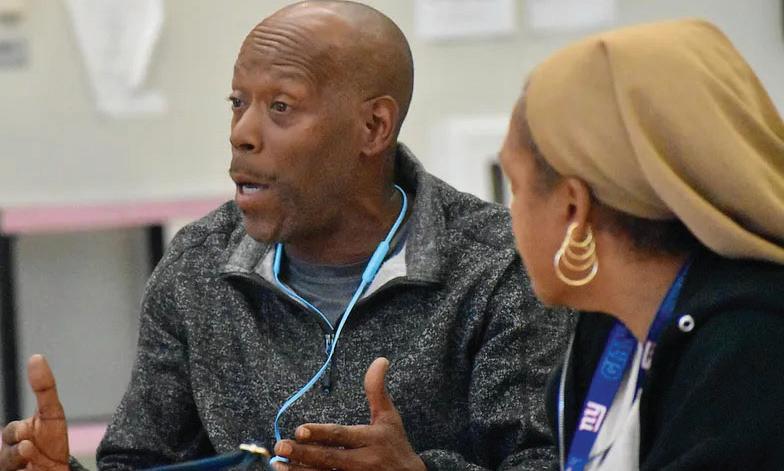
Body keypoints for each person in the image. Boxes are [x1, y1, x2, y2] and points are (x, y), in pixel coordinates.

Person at [0, 2, 573, 470]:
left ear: (373, 127)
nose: (242, 134)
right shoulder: (199, 265)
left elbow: (552, 461)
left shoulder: (501, 266)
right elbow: (144, 463)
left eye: (280, 106)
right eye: (237, 103)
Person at [499, 18, 784, 471]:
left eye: (515, 186)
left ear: (574, 207)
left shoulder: (754, 350)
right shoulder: (605, 327)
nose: (510, 212)